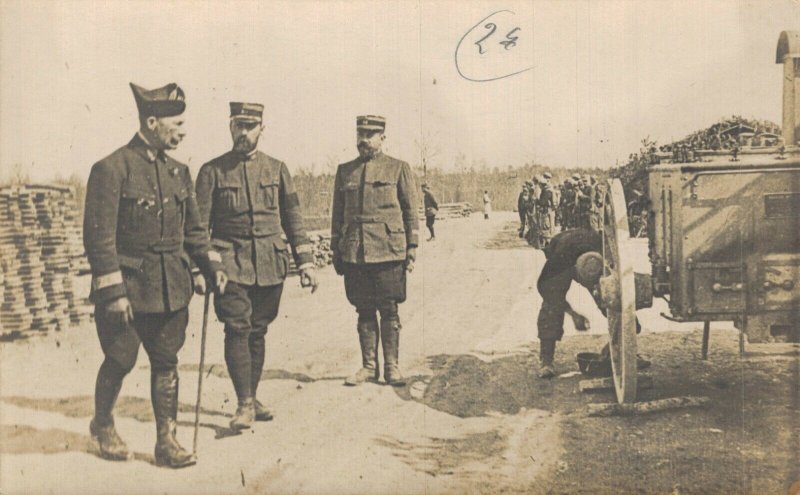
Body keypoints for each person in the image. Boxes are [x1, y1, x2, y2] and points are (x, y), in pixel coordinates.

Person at [83, 82, 227, 468]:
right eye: (176, 123)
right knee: (120, 358)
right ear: (152, 121)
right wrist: (113, 292)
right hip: (127, 290)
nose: (182, 131)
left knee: (166, 360)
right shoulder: (111, 169)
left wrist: (211, 265)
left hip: (170, 288)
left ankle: (167, 441)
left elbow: (194, 231)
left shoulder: (180, 172)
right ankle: (103, 424)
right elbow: (99, 240)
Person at [195, 102, 318, 430]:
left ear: (262, 129)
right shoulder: (212, 171)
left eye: (251, 126)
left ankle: (250, 394)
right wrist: (204, 267)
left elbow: (293, 218)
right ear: (230, 126)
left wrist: (305, 262)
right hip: (229, 262)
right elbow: (197, 227)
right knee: (237, 327)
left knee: (258, 330)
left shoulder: (277, 169)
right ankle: (244, 404)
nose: (244, 133)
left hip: (268, 262)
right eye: (239, 125)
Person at [331, 115, 419, 387]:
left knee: (389, 309)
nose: (364, 140)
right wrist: (337, 247)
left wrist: (412, 246)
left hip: (389, 250)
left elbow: (410, 211)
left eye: (371, 134)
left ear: (383, 137)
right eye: (361, 134)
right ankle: (369, 367)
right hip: (356, 250)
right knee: (363, 309)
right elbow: (337, 214)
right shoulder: (345, 171)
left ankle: (392, 367)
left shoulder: (398, 168)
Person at [538, 174, 557, 248]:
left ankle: (547, 243)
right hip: (550, 211)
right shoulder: (550, 190)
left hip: (546, 211)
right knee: (549, 226)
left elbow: (543, 202)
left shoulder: (546, 191)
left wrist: (538, 202)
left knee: (546, 226)